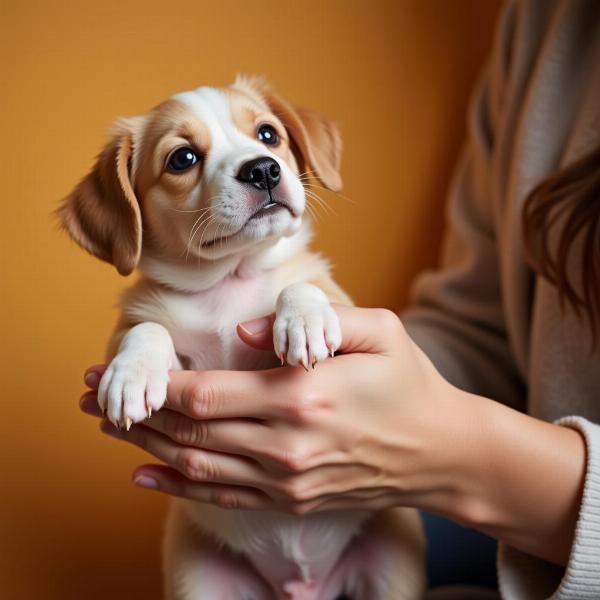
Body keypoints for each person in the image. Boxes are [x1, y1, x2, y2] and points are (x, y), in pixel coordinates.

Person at [79, 1, 600, 597]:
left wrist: (308, 306)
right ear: (130, 213)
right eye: (185, 158)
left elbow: (334, 329)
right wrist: (142, 349)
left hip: (365, 535)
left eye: (265, 136)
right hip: (227, 552)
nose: (258, 163)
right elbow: (473, 327)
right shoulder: (542, 22)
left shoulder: (304, 286)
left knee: (406, 537)